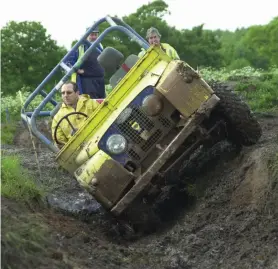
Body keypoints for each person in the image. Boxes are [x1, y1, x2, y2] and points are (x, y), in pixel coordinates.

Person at [51, 81, 100, 146]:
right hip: (78, 150)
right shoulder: (57, 117)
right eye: (63, 93)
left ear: (77, 93)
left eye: (69, 92)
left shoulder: (91, 104)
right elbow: (60, 141)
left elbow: (105, 119)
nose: (65, 95)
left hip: (98, 141)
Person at [68, 26, 106, 99]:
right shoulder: (81, 46)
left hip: (100, 80)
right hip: (87, 81)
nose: (94, 37)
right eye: (92, 34)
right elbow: (68, 61)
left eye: (96, 34)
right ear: (87, 35)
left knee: (101, 103)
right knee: (90, 103)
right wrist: (78, 70)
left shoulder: (100, 45)